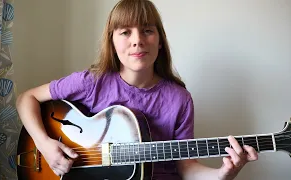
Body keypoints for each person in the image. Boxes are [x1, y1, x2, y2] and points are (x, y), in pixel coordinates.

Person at [16, 0, 258, 179]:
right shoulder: (92, 82)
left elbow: (186, 167)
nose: (137, 40)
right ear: (112, 41)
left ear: (160, 40)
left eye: (147, 31)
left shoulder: (179, 99)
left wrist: (223, 173)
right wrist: (45, 144)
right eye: (125, 32)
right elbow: (27, 99)